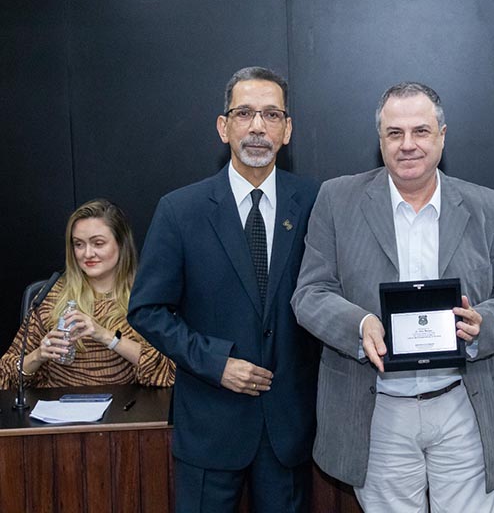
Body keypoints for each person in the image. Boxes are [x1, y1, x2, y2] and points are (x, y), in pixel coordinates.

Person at [292, 81, 494, 512]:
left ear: (442, 135)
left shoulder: (490, 208)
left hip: (464, 406)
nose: (408, 144)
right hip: (376, 410)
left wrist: (483, 325)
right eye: (395, 133)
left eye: (421, 131)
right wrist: (359, 325)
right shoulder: (337, 200)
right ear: (380, 139)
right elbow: (310, 294)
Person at [127, 66, 319, 512]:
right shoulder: (180, 210)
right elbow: (147, 309)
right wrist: (216, 363)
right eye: (244, 113)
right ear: (223, 126)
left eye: (272, 115)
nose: (258, 127)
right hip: (210, 425)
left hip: (288, 429)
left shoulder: (316, 203)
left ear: (287, 130)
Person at [0, 199, 174, 389]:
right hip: (58, 404)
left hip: (127, 405)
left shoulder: (146, 297)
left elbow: (168, 372)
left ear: (122, 243)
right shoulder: (51, 295)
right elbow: (5, 374)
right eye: (79, 244)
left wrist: (106, 336)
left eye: (98, 243)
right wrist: (38, 355)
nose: (87, 254)